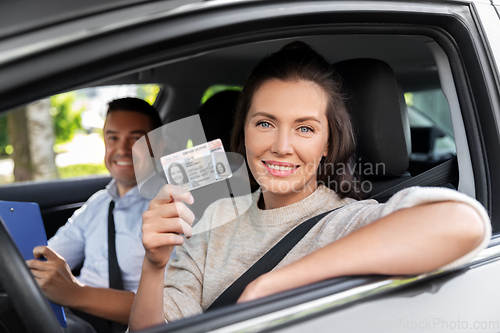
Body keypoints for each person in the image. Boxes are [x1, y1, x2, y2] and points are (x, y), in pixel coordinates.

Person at [128, 42, 491, 330]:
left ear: (327, 145)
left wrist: (270, 286)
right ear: (243, 132)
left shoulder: (345, 221)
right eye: (265, 124)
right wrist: (154, 267)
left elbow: (464, 222)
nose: (282, 145)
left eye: (305, 128)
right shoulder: (213, 220)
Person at [27, 97, 162, 333]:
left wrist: (74, 293)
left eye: (136, 139)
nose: (122, 149)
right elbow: (46, 257)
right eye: (113, 138)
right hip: (71, 317)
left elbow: (169, 307)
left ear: (158, 146)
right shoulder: (98, 203)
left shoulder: (171, 207)